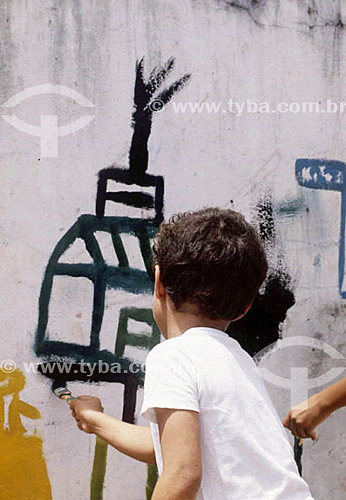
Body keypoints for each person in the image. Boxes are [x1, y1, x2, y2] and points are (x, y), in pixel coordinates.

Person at [70, 207, 315, 500]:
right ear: (245, 307)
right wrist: (96, 420)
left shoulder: (173, 356)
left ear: (159, 282)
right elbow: (171, 446)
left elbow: (183, 473)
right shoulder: (235, 359)